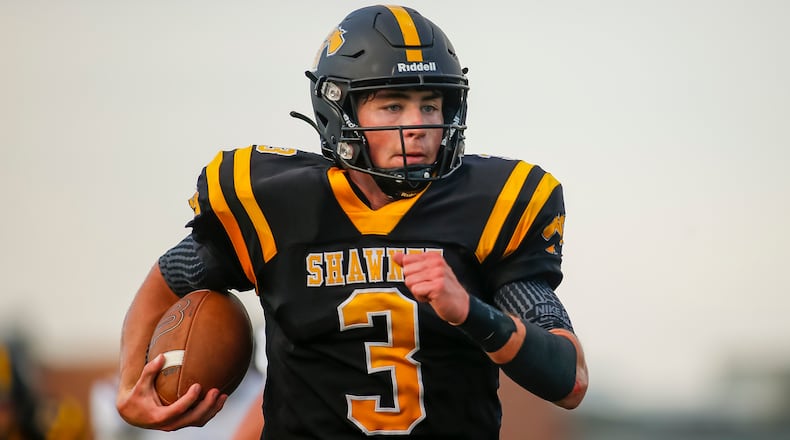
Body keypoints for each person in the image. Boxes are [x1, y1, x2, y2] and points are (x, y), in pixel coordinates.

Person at [116, 4, 588, 439]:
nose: (417, 125)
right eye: (393, 105)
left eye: (431, 104)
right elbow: (169, 277)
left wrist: (471, 312)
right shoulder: (276, 204)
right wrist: (128, 386)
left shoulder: (492, 204)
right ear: (339, 109)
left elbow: (569, 380)